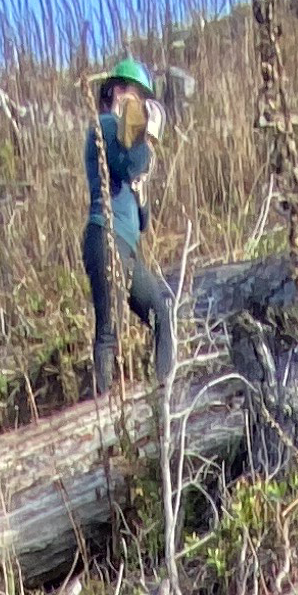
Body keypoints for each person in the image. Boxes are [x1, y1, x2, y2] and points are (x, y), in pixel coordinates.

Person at [83, 53, 176, 405]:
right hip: (105, 236)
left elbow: (143, 220)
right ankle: (102, 411)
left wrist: (142, 184)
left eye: (139, 94)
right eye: (126, 90)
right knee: (109, 330)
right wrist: (144, 137)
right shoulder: (105, 125)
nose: (132, 98)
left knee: (161, 312)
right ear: (112, 92)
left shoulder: (124, 136)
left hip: (125, 244)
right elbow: (128, 163)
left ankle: (162, 395)